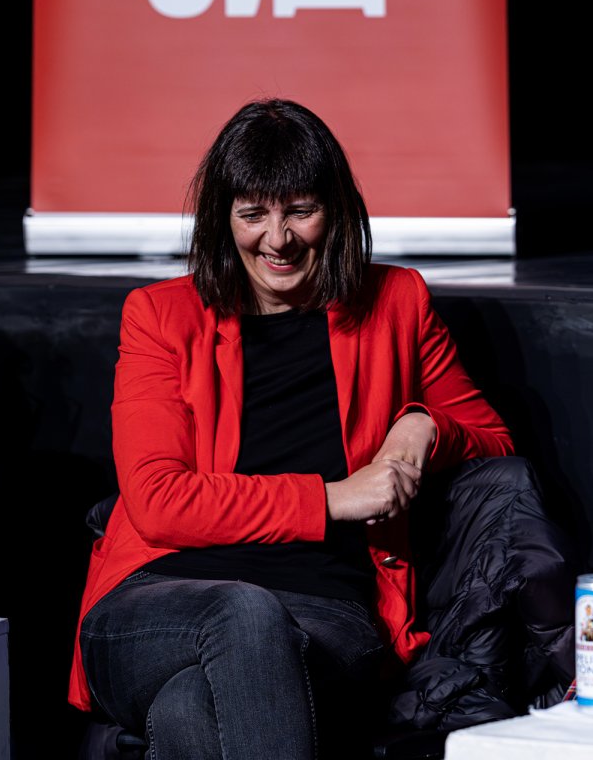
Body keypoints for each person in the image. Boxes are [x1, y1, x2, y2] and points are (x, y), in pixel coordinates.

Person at [69, 98, 514, 757]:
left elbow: (493, 439)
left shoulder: (397, 302)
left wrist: (419, 426)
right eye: (252, 214)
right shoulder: (160, 317)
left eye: (300, 210)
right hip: (158, 603)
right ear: (223, 219)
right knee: (243, 612)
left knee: (190, 709)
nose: (277, 240)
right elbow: (159, 501)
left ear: (335, 210)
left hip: (325, 611)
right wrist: (334, 498)